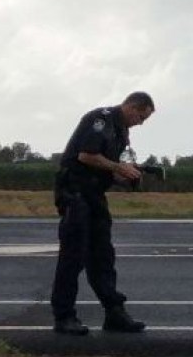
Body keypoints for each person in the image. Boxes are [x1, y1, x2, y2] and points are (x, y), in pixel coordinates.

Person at [50, 91, 156, 336]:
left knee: (103, 256)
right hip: (75, 191)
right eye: (141, 116)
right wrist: (119, 167)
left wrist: (129, 175)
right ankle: (64, 316)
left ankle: (114, 312)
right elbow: (86, 156)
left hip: (95, 193)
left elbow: (106, 167)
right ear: (131, 106)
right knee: (73, 256)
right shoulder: (101, 120)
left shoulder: (121, 131)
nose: (140, 122)